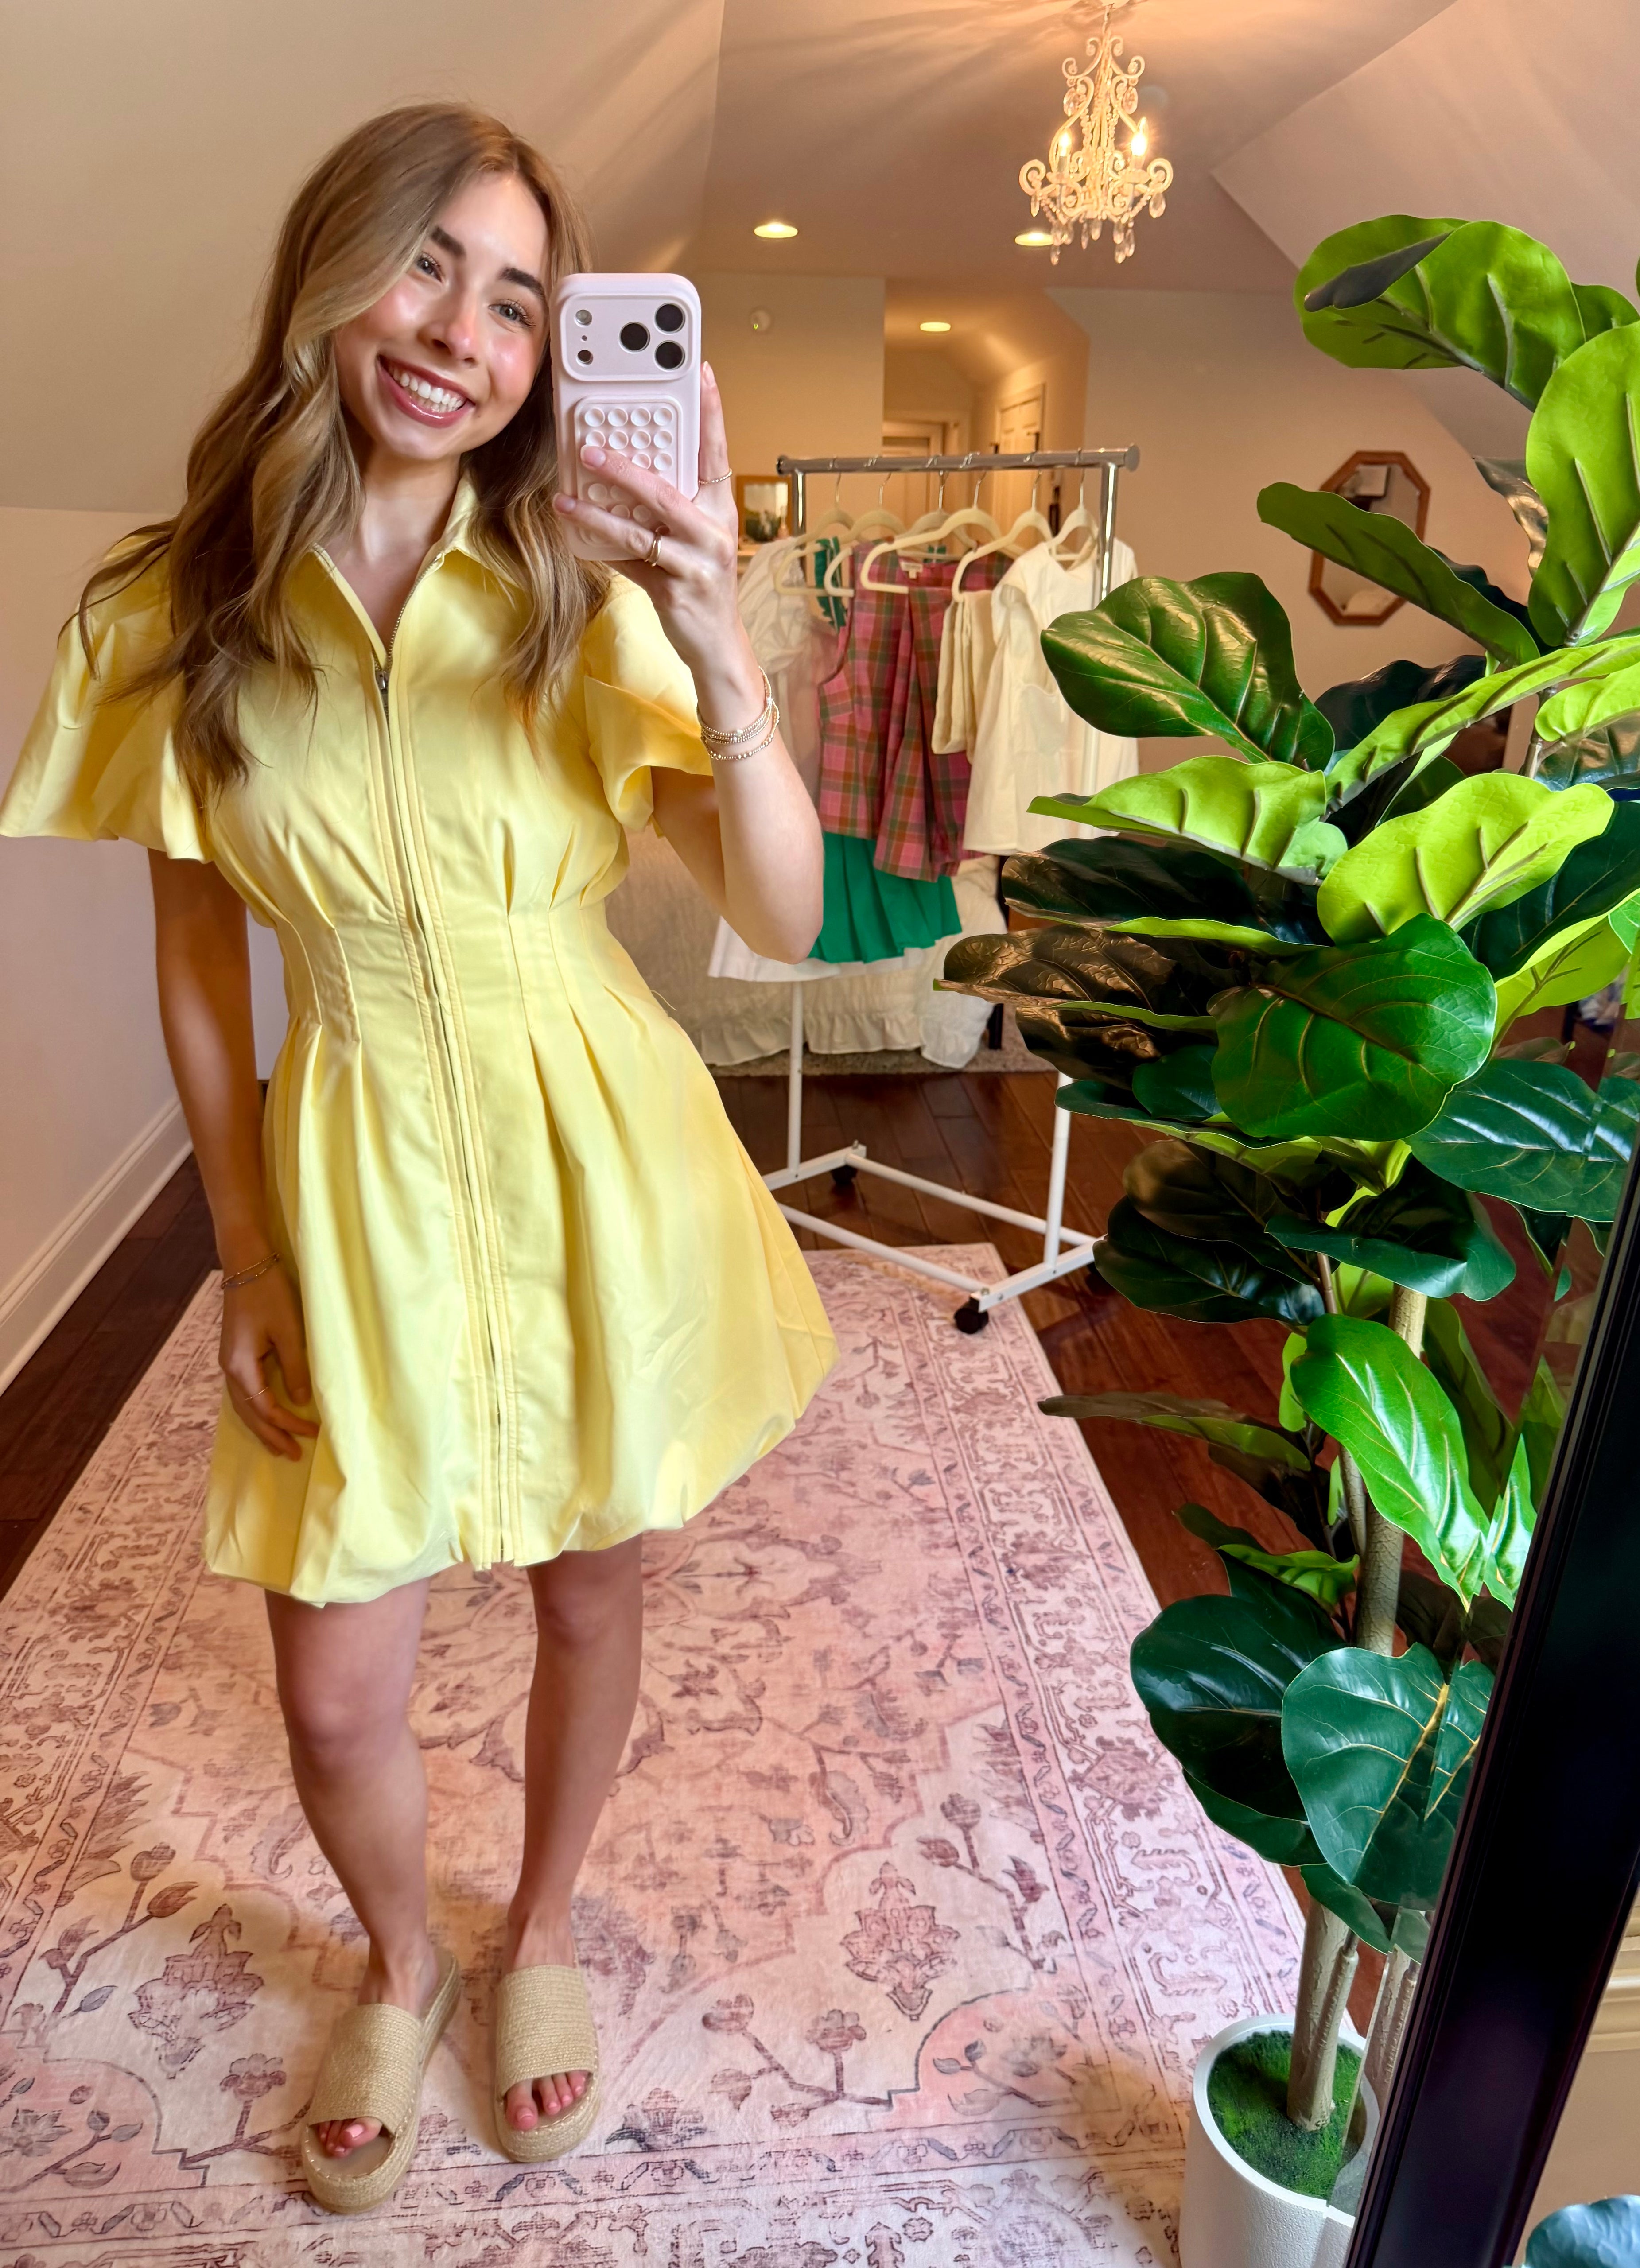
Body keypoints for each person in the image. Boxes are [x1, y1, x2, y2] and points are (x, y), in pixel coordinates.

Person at [0, 103, 838, 2214]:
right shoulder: (164, 604)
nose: (463, 329)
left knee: (589, 1575)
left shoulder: (587, 572)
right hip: (353, 1139)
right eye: (427, 265)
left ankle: (536, 1931)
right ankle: (397, 1951)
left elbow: (784, 913)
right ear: (332, 273)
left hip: (594, 1142)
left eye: (521, 297)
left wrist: (724, 633)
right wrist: (250, 1257)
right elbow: (201, 962)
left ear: (562, 349)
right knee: (338, 1666)